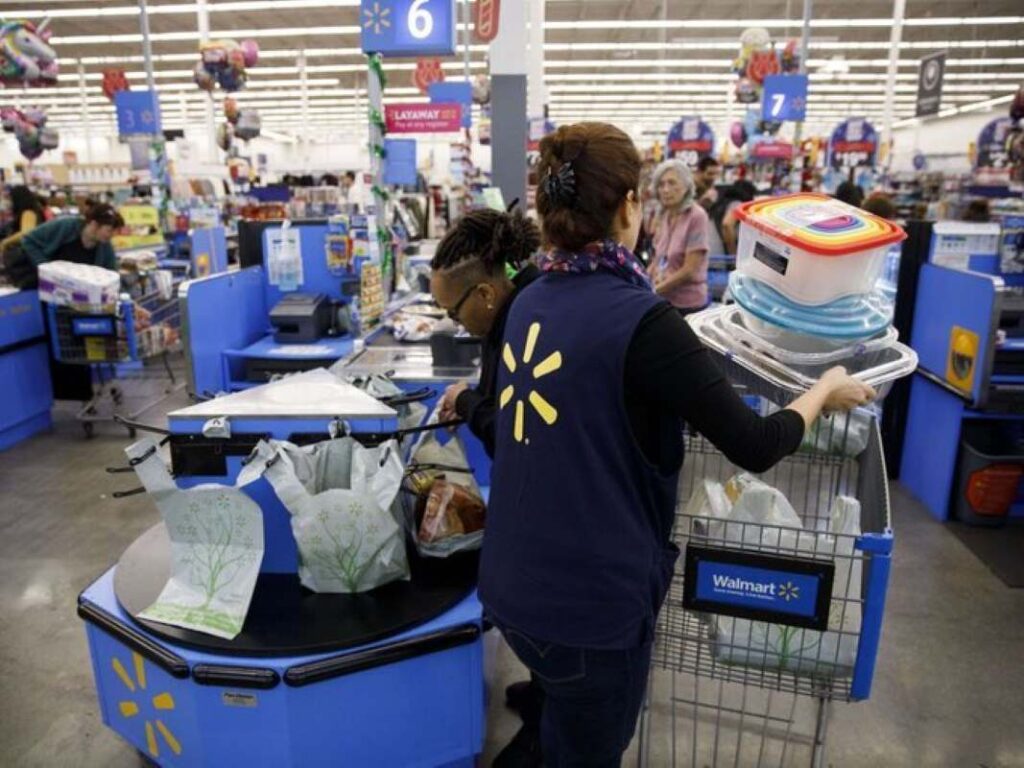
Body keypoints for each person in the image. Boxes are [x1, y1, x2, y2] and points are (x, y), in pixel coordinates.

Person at [479, 121, 876, 768]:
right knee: (589, 747)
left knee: (562, 720)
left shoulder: (526, 299)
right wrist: (823, 389)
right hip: (591, 613)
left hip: (510, 591)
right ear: (630, 204)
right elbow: (753, 442)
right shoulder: (642, 322)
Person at [429, 207, 544, 767]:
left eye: (452, 310)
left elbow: (515, 428)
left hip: (554, 501)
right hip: (536, 493)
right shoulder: (512, 314)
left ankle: (550, 725)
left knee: (530, 606)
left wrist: (470, 404)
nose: (454, 322)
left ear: (484, 294)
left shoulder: (528, 322)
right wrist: (469, 397)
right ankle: (543, 691)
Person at [648, 158, 711, 315]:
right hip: (663, 300)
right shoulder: (664, 214)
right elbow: (658, 259)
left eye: (672, 183)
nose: (666, 189)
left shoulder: (697, 216)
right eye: (661, 184)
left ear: (685, 187)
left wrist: (653, 290)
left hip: (688, 304)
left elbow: (689, 270)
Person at [707, 179, 757, 257]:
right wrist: (733, 253)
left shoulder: (720, 203)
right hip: (720, 258)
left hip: (708, 253)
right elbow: (727, 225)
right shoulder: (737, 204)